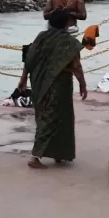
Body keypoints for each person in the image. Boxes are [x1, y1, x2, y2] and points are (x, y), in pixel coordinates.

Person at [20, 9, 87, 169]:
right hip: (58, 85)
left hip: (39, 82)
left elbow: (29, 59)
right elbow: (76, 66)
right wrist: (83, 84)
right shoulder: (68, 41)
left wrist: (22, 79)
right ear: (65, 23)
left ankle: (59, 153)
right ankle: (35, 156)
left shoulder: (41, 37)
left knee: (49, 115)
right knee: (52, 118)